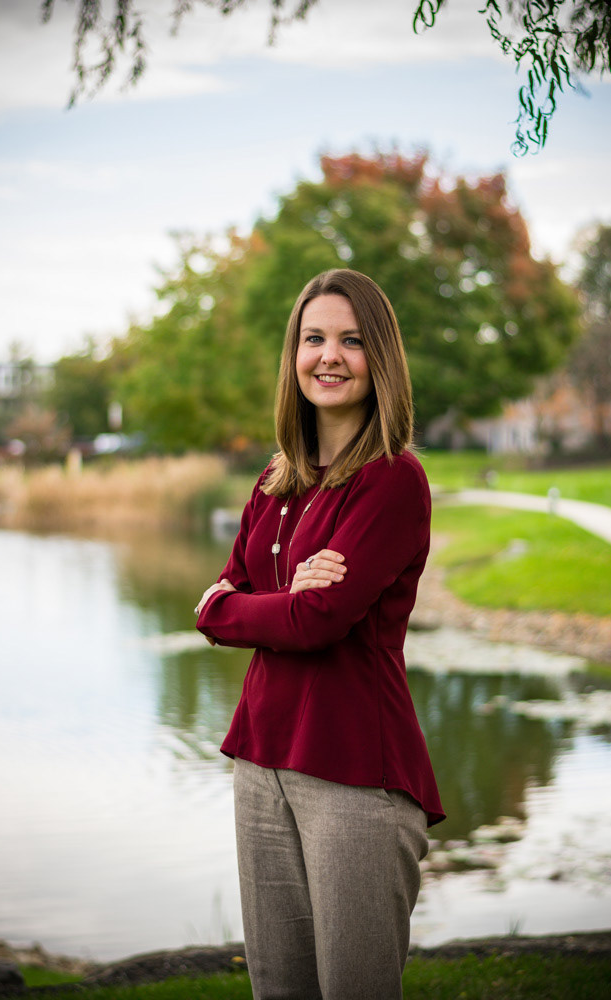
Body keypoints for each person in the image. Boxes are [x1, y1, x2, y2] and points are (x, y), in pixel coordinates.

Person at [195, 268, 444, 1000]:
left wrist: (242, 607)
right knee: (279, 990)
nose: (328, 356)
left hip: (353, 770)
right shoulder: (276, 480)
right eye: (313, 338)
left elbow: (315, 620)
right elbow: (213, 610)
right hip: (259, 758)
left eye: (351, 340)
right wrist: (252, 604)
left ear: (380, 359)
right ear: (293, 354)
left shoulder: (392, 480)